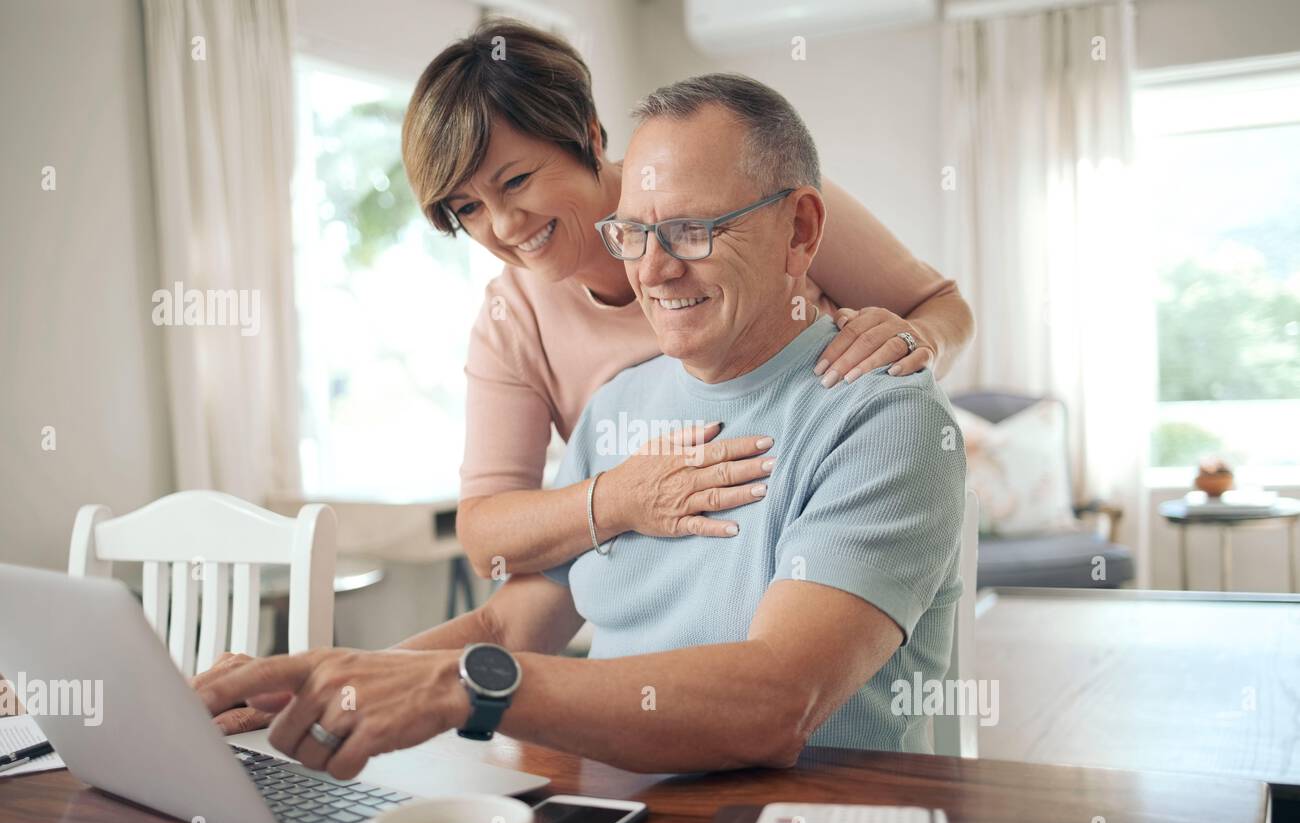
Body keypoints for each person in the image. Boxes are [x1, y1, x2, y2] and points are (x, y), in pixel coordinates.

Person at [198, 74, 967, 778]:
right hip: (604, 820)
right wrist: (317, 681)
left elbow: (776, 704)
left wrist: (468, 690)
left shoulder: (882, 416)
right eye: (632, 234)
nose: (655, 272)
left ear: (800, 232)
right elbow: (507, 622)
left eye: (694, 230)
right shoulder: (614, 411)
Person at [399, 18, 974, 576]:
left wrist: (917, 340)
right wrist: (624, 497)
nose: (502, 225)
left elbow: (941, 306)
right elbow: (485, 531)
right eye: (467, 208)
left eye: (516, 181)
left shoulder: (757, 201)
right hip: (670, 583)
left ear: (589, 138)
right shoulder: (513, 318)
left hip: (811, 537)